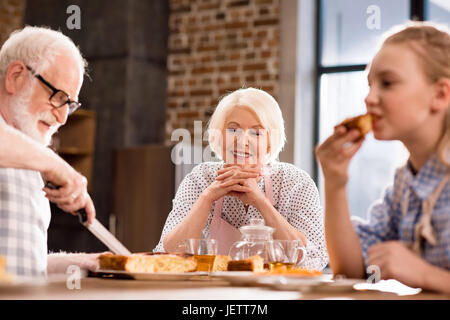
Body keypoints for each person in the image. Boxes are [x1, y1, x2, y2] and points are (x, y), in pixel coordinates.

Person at [315, 22, 450, 293]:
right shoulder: (405, 183)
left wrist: (424, 274)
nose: (369, 98)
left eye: (387, 83)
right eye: (370, 85)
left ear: (440, 94)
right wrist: (334, 181)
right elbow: (351, 271)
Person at [155, 88, 328, 270]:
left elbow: (314, 260)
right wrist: (207, 198)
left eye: (256, 132)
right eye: (233, 129)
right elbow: (167, 254)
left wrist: (260, 201)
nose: (242, 141)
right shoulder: (200, 179)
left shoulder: (296, 182)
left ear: (270, 141)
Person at [0, 26, 98, 278]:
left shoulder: (29, 154)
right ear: (16, 76)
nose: (63, 117)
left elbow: (23, 263)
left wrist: (86, 262)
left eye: (70, 104)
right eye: (58, 97)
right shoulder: (36, 157)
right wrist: (56, 166)